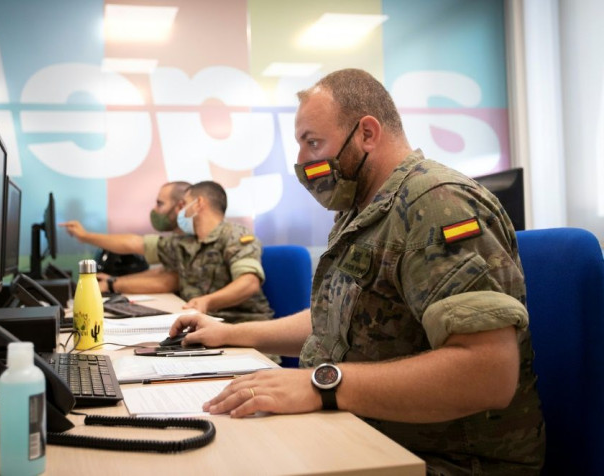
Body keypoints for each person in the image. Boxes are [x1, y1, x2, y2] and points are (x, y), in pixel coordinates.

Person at [168, 69, 546, 474]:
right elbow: (336, 321)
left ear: (367, 133)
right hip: (367, 435)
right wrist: (228, 332)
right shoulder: (362, 210)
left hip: (443, 461)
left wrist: (320, 383)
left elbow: (488, 372)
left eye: (313, 142)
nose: (302, 163)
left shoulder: (438, 205)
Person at [62, 181, 273, 323]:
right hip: (204, 327)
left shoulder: (236, 236)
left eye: (184, 204)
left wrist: (208, 301)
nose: (180, 211)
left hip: (242, 331)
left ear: (198, 203)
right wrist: (85, 236)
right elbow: (136, 243)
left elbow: (249, 283)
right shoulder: (184, 243)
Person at [93, 181, 191, 294]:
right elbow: (163, 272)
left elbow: (169, 280)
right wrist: (114, 281)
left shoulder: (192, 240)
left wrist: (83, 236)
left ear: (180, 206)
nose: (155, 209)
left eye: (160, 204)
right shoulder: (177, 239)